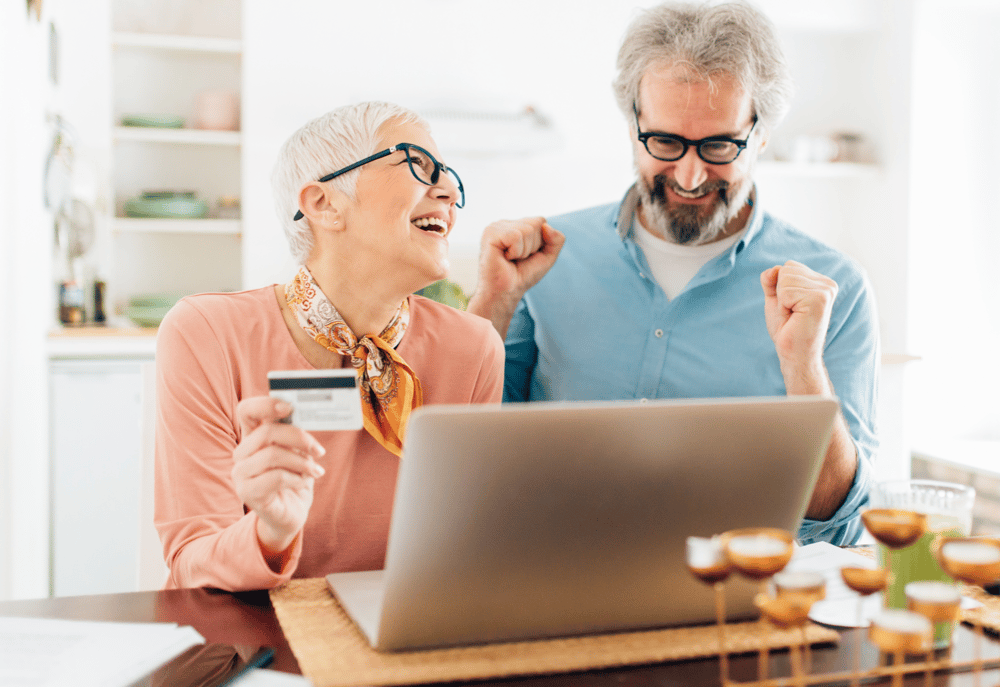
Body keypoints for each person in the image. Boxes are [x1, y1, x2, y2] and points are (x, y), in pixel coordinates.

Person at [466, 1, 878, 546]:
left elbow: (838, 525)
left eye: (718, 145)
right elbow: (466, 460)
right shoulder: (541, 261)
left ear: (761, 134)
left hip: (732, 606)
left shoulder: (834, 289)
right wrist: (490, 307)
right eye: (664, 142)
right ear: (632, 122)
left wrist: (803, 367)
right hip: (552, 579)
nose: (689, 174)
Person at [154, 102, 504, 591]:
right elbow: (191, 563)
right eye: (419, 166)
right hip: (246, 642)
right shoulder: (206, 333)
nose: (448, 192)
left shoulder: (473, 349)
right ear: (324, 204)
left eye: (448, 176)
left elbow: (466, 554)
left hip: (401, 641)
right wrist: (270, 532)